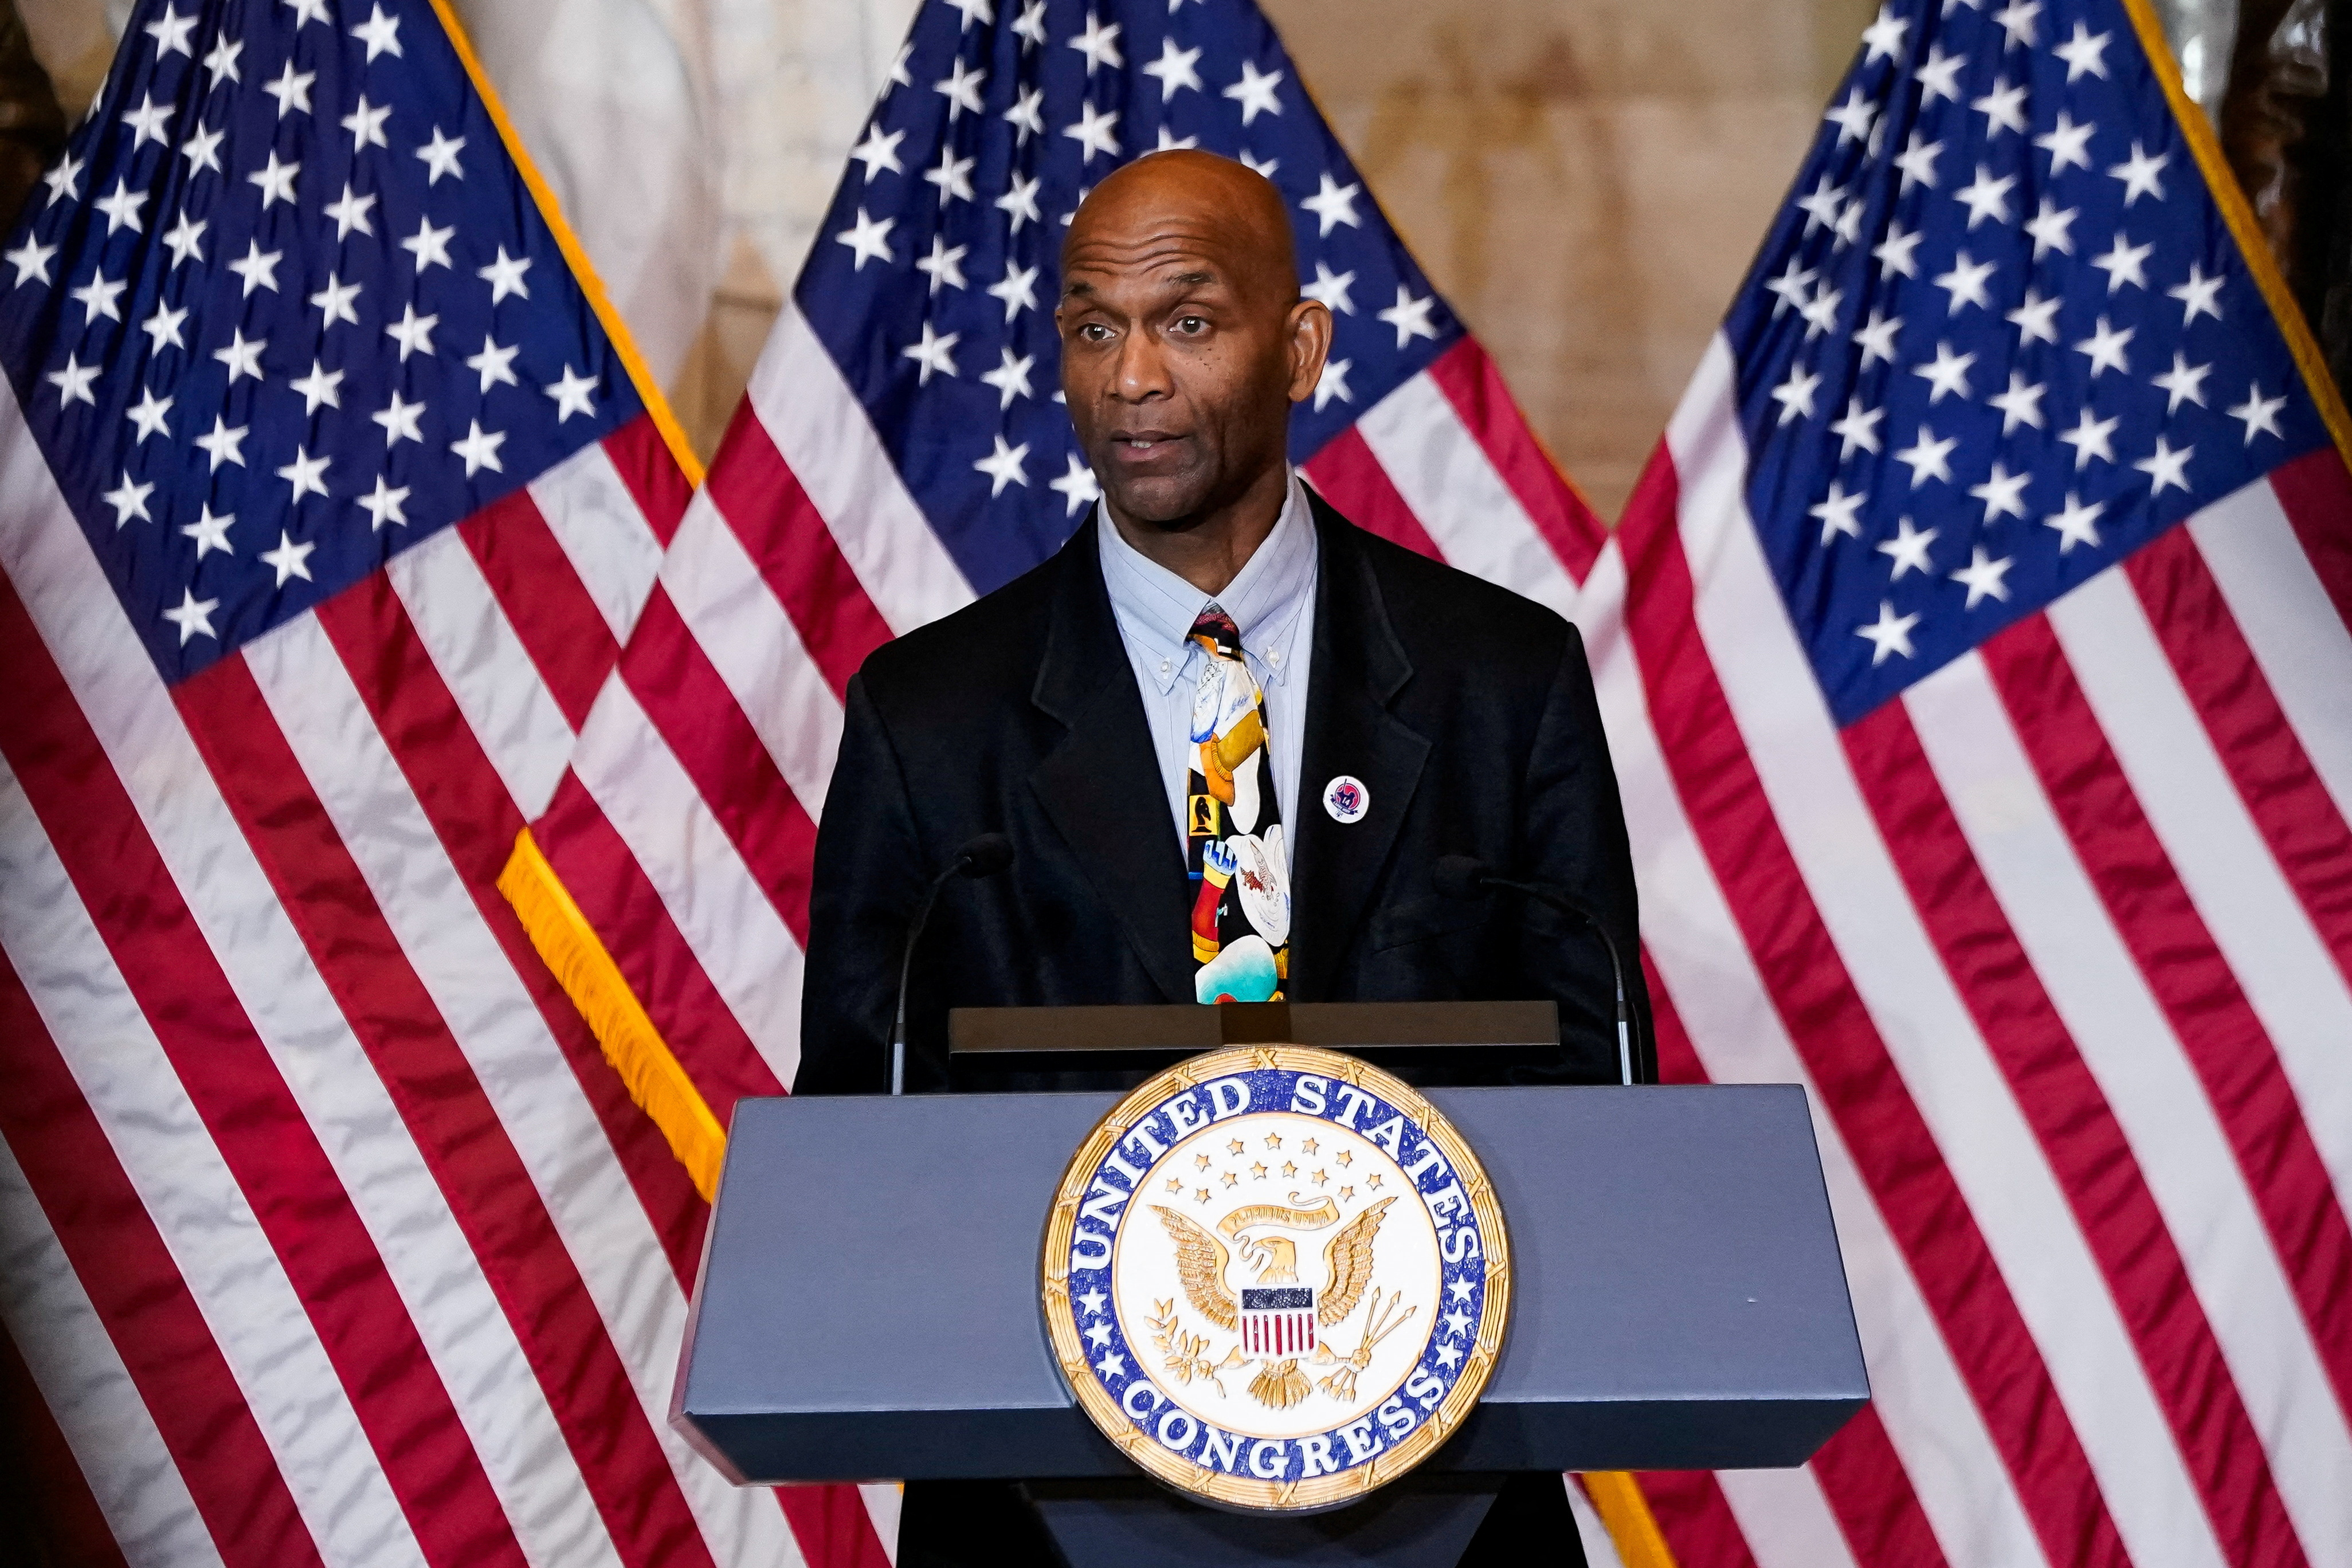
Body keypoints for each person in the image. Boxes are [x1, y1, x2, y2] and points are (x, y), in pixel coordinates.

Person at [799, 149, 1643, 1567]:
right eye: (1092, 328)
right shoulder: (930, 717)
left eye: (1187, 321)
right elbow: (860, 1140)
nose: (1131, 377)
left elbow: (1601, 1099)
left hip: (1439, 1509)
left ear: (1300, 347)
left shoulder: (1502, 683)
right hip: (1040, 1510)